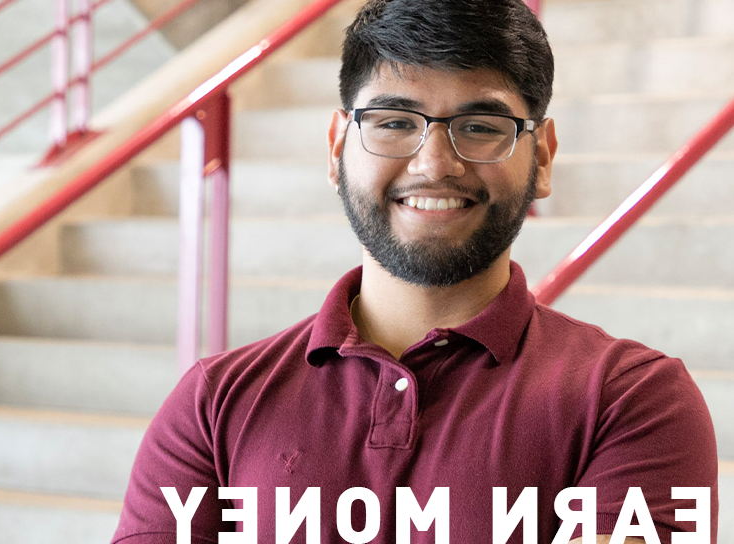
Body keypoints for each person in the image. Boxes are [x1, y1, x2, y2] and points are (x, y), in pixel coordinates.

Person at [111, 0, 719, 542]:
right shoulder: (213, 406)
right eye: (394, 122)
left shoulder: (634, 401)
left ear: (543, 160)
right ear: (335, 148)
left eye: (481, 127)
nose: (434, 163)